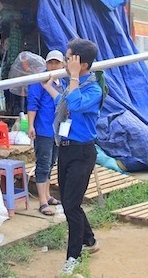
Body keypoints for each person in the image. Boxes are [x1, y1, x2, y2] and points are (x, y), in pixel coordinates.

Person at [43, 38, 102, 277]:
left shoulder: (93, 89)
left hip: (82, 152)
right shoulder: (71, 83)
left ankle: (73, 257)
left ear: (81, 63)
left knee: (70, 205)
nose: (66, 62)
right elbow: (64, 104)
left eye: (69, 58)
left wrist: (74, 77)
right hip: (65, 149)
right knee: (70, 203)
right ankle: (90, 240)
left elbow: (76, 105)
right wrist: (49, 86)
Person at [27, 49, 66, 216]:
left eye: (56, 62)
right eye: (50, 62)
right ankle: (42, 201)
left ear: (62, 64)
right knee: (43, 164)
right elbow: (32, 104)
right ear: (46, 63)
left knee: (51, 163)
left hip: (57, 130)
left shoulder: (62, 81)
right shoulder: (40, 80)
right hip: (43, 129)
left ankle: (48, 195)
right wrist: (31, 126)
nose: (53, 65)